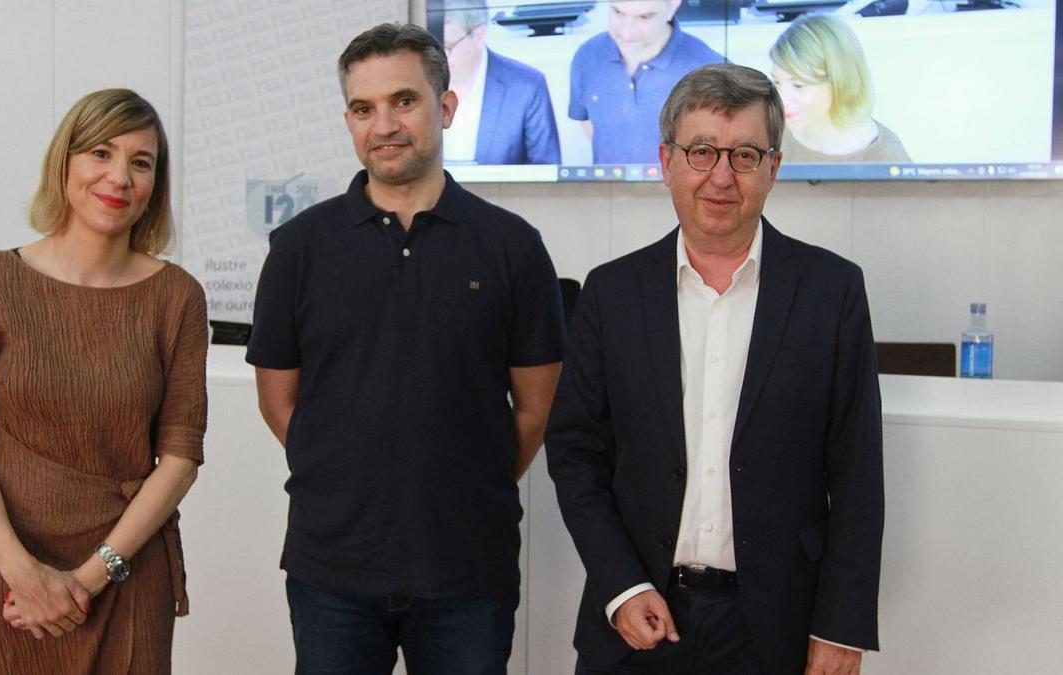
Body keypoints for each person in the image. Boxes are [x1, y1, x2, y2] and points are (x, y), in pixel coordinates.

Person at [247, 22, 566, 674]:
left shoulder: (512, 247)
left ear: (445, 107)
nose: (384, 124)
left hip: (467, 571)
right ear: (349, 121)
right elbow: (279, 401)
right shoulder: (299, 249)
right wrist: (348, 478)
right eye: (364, 109)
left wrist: (461, 482)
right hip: (332, 567)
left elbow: (535, 409)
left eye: (404, 101)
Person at [546, 64, 883, 674]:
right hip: (638, 618)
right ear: (668, 161)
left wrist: (843, 626)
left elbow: (857, 474)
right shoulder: (611, 292)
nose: (721, 176)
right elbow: (574, 454)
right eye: (701, 152)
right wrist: (621, 586)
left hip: (776, 628)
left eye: (745, 154)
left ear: (774, 167)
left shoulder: (832, 292)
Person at [0, 89, 207, 674]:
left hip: (125, 567)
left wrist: (90, 575)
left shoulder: (176, 297)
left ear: (156, 183)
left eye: (141, 162)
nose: (119, 177)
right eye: (100, 153)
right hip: (6, 574)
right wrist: (24, 573)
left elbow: (180, 457)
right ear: (65, 163)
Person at [569, 0, 722, 165]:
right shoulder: (587, 56)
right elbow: (587, 121)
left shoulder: (712, 74)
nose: (627, 32)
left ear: (672, 6)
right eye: (618, 12)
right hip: (610, 189)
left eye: (644, 17)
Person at [769, 14, 910, 163]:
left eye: (798, 85)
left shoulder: (887, 158)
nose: (781, 99)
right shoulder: (770, 138)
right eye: (776, 82)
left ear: (839, 81)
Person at [441, 0, 561, 165]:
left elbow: (547, 172)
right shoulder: (420, 83)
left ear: (479, 35)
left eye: (447, 47)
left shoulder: (527, 87)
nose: (439, 57)